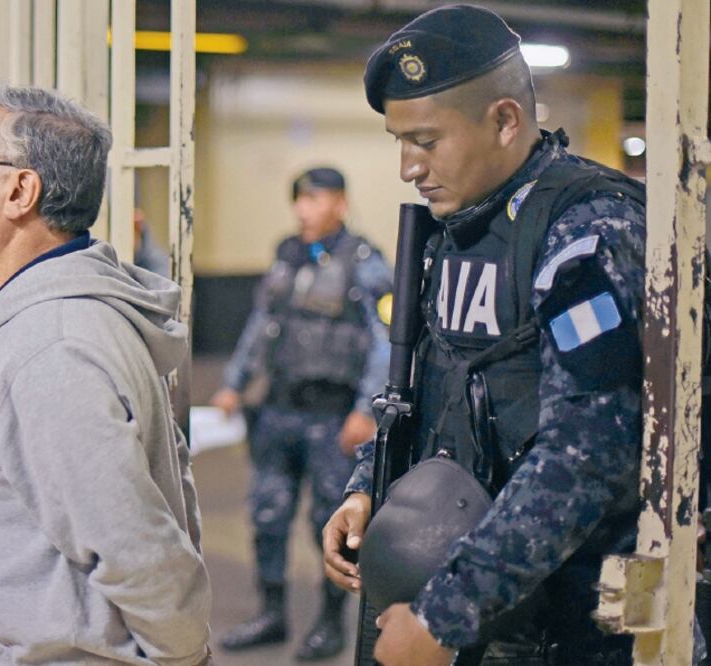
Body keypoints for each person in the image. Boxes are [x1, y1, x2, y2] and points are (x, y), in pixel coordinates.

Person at [321, 5, 686, 665]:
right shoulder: (459, 229)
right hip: (492, 605)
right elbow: (436, 383)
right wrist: (366, 484)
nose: (408, 165)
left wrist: (444, 618)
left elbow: (590, 452)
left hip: (573, 625)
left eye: (426, 141)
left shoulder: (588, 236)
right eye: (398, 141)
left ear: (505, 121)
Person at [0, 84, 211, 666]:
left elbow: (136, 548)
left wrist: (184, 657)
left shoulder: (52, 347)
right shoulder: (44, 317)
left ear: (20, 191)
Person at [211, 167, 392, 660]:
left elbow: (383, 342)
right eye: (300, 200)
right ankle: (271, 614)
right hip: (278, 411)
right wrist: (234, 382)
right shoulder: (287, 253)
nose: (303, 210)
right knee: (267, 515)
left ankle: (331, 622)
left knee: (328, 522)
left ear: (340, 203)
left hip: (333, 417)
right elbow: (262, 323)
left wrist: (365, 410)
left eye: (314, 199)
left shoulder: (366, 263)